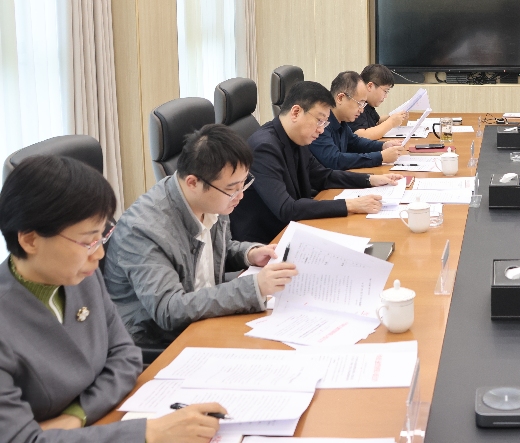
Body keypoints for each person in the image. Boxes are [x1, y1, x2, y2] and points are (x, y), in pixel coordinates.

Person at [0, 155, 224, 443]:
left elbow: (126, 357)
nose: (99, 254)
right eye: (87, 241)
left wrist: (76, 415)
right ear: (30, 240)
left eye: (100, 237)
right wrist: (149, 433)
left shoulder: (81, 276)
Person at [103, 125, 299, 347]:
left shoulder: (211, 200)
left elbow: (212, 249)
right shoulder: (143, 229)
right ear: (193, 183)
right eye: (232, 189)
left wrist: (249, 254)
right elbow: (169, 309)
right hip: (160, 342)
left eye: (243, 184)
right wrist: (254, 287)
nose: (240, 196)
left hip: (205, 318)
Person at [230, 81, 403, 244]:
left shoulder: (296, 137)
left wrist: (370, 180)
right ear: (296, 112)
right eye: (319, 121)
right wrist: (351, 205)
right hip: (267, 242)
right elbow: (286, 208)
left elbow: (323, 176)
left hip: (294, 228)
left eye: (325, 123)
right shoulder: (264, 147)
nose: (321, 130)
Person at [309, 71, 407, 170]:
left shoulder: (341, 120)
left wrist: (383, 146)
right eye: (359, 103)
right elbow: (335, 160)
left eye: (363, 104)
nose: (362, 110)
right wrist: (380, 157)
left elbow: (355, 142)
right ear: (340, 98)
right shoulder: (321, 123)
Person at [349, 64, 408, 140]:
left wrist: (393, 117)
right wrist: (391, 122)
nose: (386, 96)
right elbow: (362, 136)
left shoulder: (368, 104)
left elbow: (376, 122)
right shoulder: (356, 105)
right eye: (385, 91)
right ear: (370, 86)